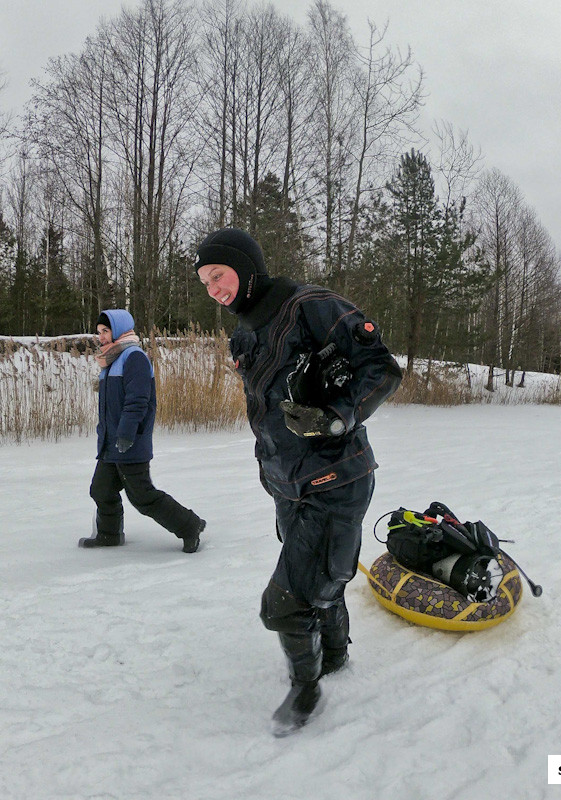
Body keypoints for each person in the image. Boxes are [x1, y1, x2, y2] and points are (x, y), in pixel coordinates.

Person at [195, 228, 401, 736]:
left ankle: (307, 691)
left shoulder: (309, 305)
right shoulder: (244, 327)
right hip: (286, 481)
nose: (213, 289)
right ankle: (333, 659)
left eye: (218, 275)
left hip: (336, 476)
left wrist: (336, 417)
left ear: (246, 266)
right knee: (317, 581)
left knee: (286, 601)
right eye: (204, 282)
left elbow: (382, 368)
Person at [79, 309, 206, 553]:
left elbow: (138, 401)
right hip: (110, 442)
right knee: (101, 489)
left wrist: (126, 434)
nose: (101, 337)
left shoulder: (133, 357)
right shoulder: (112, 359)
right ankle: (109, 535)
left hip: (129, 441)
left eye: (106, 331)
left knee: (142, 496)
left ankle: (190, 525)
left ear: (119, 330)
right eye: (99, 332)